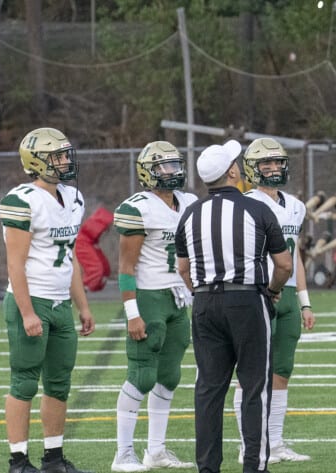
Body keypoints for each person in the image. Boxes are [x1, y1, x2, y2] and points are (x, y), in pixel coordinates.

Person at [175, 139, 293, 473]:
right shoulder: (257, 209)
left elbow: (183, 269)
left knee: (209, 391)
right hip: (247, 300)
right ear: (231, 171)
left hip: (204, 303)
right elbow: (284, 265)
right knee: (255, 388)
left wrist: (202, 295)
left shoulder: (191, 213)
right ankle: (254, 466)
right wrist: (271, 292)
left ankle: (208, 468)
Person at [0, 127, 95, 473]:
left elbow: (68, 258)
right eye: (57, 156)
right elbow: (15, 263)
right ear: (35, 162)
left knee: (59, 382)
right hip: (32, 300)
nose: (66, 161)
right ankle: (18, 460)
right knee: (24, 381)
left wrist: (82, 305)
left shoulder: (73, 198)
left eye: (66, 154)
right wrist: (26, 312)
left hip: (60, 304)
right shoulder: (22, 199)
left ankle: (53, 458)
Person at [110, 141, 197, 472]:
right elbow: (126, 268)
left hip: (178, 297)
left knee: (170, 375)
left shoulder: (189, 202)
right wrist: (133, 313)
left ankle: (156, 450)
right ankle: (123, 453)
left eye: (175, 165)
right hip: (148, 296)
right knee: (142, 374)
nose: (171, 172)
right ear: (147, 172)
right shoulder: (137, 207)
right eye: (163, 166)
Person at [233, 138, 316, 464]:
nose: (273, 168)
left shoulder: (295, 205)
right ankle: (247, 446)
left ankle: (276, 442)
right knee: (251, 373)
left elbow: (294, 255)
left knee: (282, 371)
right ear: (252, 168)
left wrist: (305, 301)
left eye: (277, 162)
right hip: (258, 292)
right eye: (265, 163)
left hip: (289, 294)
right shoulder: (244, 203)